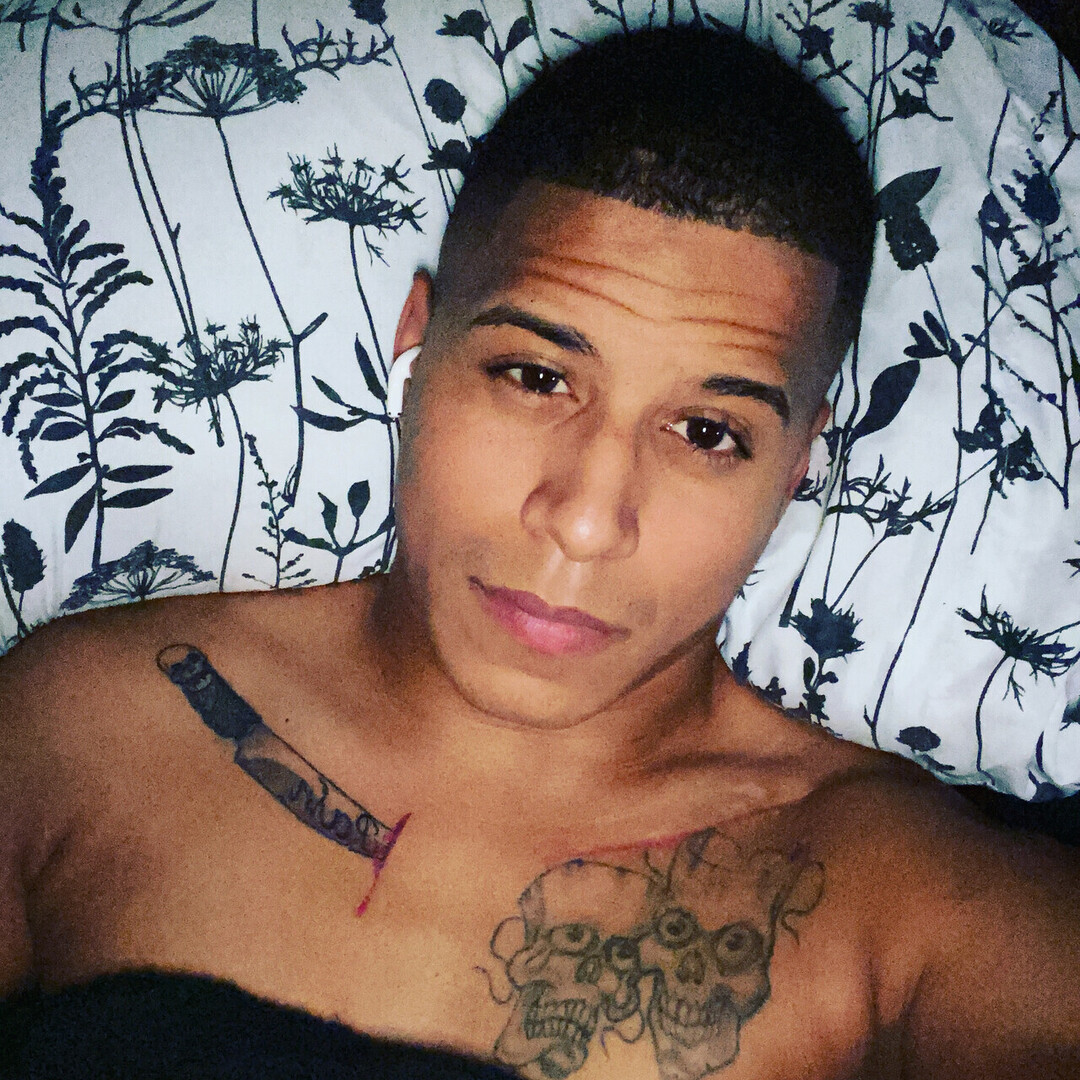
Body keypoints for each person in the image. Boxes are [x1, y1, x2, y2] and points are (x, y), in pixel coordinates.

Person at [1, 24, 1078, 1080]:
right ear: (418, 343)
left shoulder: (897, 897)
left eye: (708, 431)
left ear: (798, 464)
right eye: (535, 376)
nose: (585, 521)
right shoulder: (85, 733)